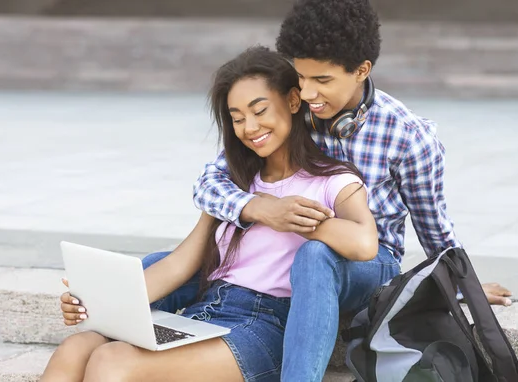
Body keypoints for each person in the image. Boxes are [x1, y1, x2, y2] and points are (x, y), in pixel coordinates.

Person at [181, 0, 512, 380]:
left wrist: (460, 288)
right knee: (167, 262)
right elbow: (209, 183)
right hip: (281, 244)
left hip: (365, 261)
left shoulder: (408, 136)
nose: (307, 93)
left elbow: (434, 229)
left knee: (316, 255)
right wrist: (258, 207)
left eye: (322, 80)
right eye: (301, 77)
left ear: (361, 71)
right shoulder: (288, 107)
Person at [40, 46, 383, 382]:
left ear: (293, 101)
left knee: (113, 360)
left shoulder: (331, 181)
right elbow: (180, 263)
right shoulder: (234, 184)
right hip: (205, 310)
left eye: (259, 110)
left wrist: (294, 219)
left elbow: (364, 242)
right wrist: (99, 302)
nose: (250, 127)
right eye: (237, 118)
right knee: (76, 348)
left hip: (262, 328)